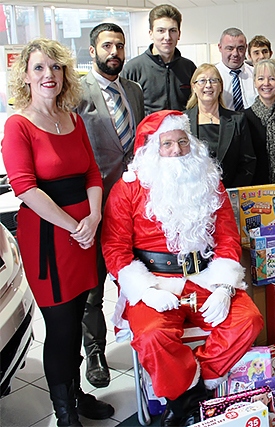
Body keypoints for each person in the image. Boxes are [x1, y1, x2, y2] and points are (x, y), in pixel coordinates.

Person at [101, 110, 263, 426]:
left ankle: (191, 387)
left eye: (182, 142)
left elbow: (228, 236)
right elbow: (115, 249)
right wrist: (145, 291)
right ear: (151, 149)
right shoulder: (128, 189)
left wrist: (224, 286)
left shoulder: (208, 182)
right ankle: (187, 401)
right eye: (167, 144)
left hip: (205, 278)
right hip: (155, 282)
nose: (177, 150)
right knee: (151, 336)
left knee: (249, 321)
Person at [2, 38, 114, 426]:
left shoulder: (74, 119)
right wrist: (75, 226)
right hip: (50, 239)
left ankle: (77, 393)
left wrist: (94, 218)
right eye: (39, 68)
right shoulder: (17, 124)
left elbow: (92, 173)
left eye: (55, 67)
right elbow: (25, 188)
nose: (48, 75)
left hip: (84, 232)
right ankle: (64, 412)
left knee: (81, 314)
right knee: (61, 326)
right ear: (26, 76)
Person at [76, 22, 145, 389]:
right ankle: (96, 354)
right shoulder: (77, 91)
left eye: (119, 45)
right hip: (95, 203)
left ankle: (141, 343)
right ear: (92, 51)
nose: (114, 52)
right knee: (93, 286)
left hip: (132, 204)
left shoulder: (132, 90)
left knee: (136, 276)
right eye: (107, 46)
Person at [184, 63, 256, 188]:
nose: (208, 85)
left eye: (213, 80)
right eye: (202, 81)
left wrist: (231, 193)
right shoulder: (182, 121)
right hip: (193, 195)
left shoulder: (238, 120)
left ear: (221, 86)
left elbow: (247, 162)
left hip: (230, 193)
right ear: (193, 87)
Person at [121, 4, 196, 114]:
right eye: (161, 31)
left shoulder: (189, 68)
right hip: (147, 130)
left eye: (173, 31)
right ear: (151, 34)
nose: (167, 37)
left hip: (182, 130)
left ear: (179, 34)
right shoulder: (133, 69)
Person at [217, 28, 257, 111]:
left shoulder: (256, 75)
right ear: (220, 48)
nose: (235, 54)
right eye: (230, 48)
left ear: (246, 48)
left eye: (240, 49)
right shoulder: (212, 77)